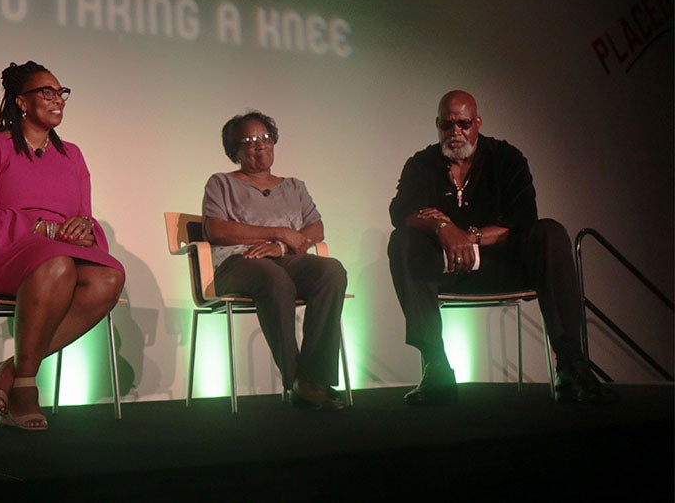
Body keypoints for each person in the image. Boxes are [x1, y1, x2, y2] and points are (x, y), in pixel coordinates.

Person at [388, 90, 616, 405]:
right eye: (447, 124)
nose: (455, 132)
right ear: (437, 124)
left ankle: (570, 364)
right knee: (402, 241)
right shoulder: (422, 164)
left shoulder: (505, 158)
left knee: (549, 232)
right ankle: (436, 366)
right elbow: (401, 212)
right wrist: (443, 227)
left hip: (503, 268)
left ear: (477, 122)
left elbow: (522, 219)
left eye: (464, 123)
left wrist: (469, 236)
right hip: (445, 270)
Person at [0, 61, 126, 431]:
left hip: (58, 253)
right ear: (21, 101)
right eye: (46, 93)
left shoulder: (73, 155)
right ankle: (24, 387)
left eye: (61, 92)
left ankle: (12, 369)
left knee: (110, 276)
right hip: (4, 255)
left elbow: (85, 214)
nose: (58, 100)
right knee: (58, 265)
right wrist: (43, 230)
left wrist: (84, 228)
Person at [200, 111, 349, 411]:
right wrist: (278, 232)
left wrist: (280, 247)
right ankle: (297, 379)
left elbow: (315, 229)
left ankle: (315, 379)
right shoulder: (221, 183)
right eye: (250, 141)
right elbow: (216, 230)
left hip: (285, 259)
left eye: (266, 138)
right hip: (238, 263)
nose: (261, 146)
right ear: (235, 151)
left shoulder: (294, 186)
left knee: (331, 271)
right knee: (274, 278)